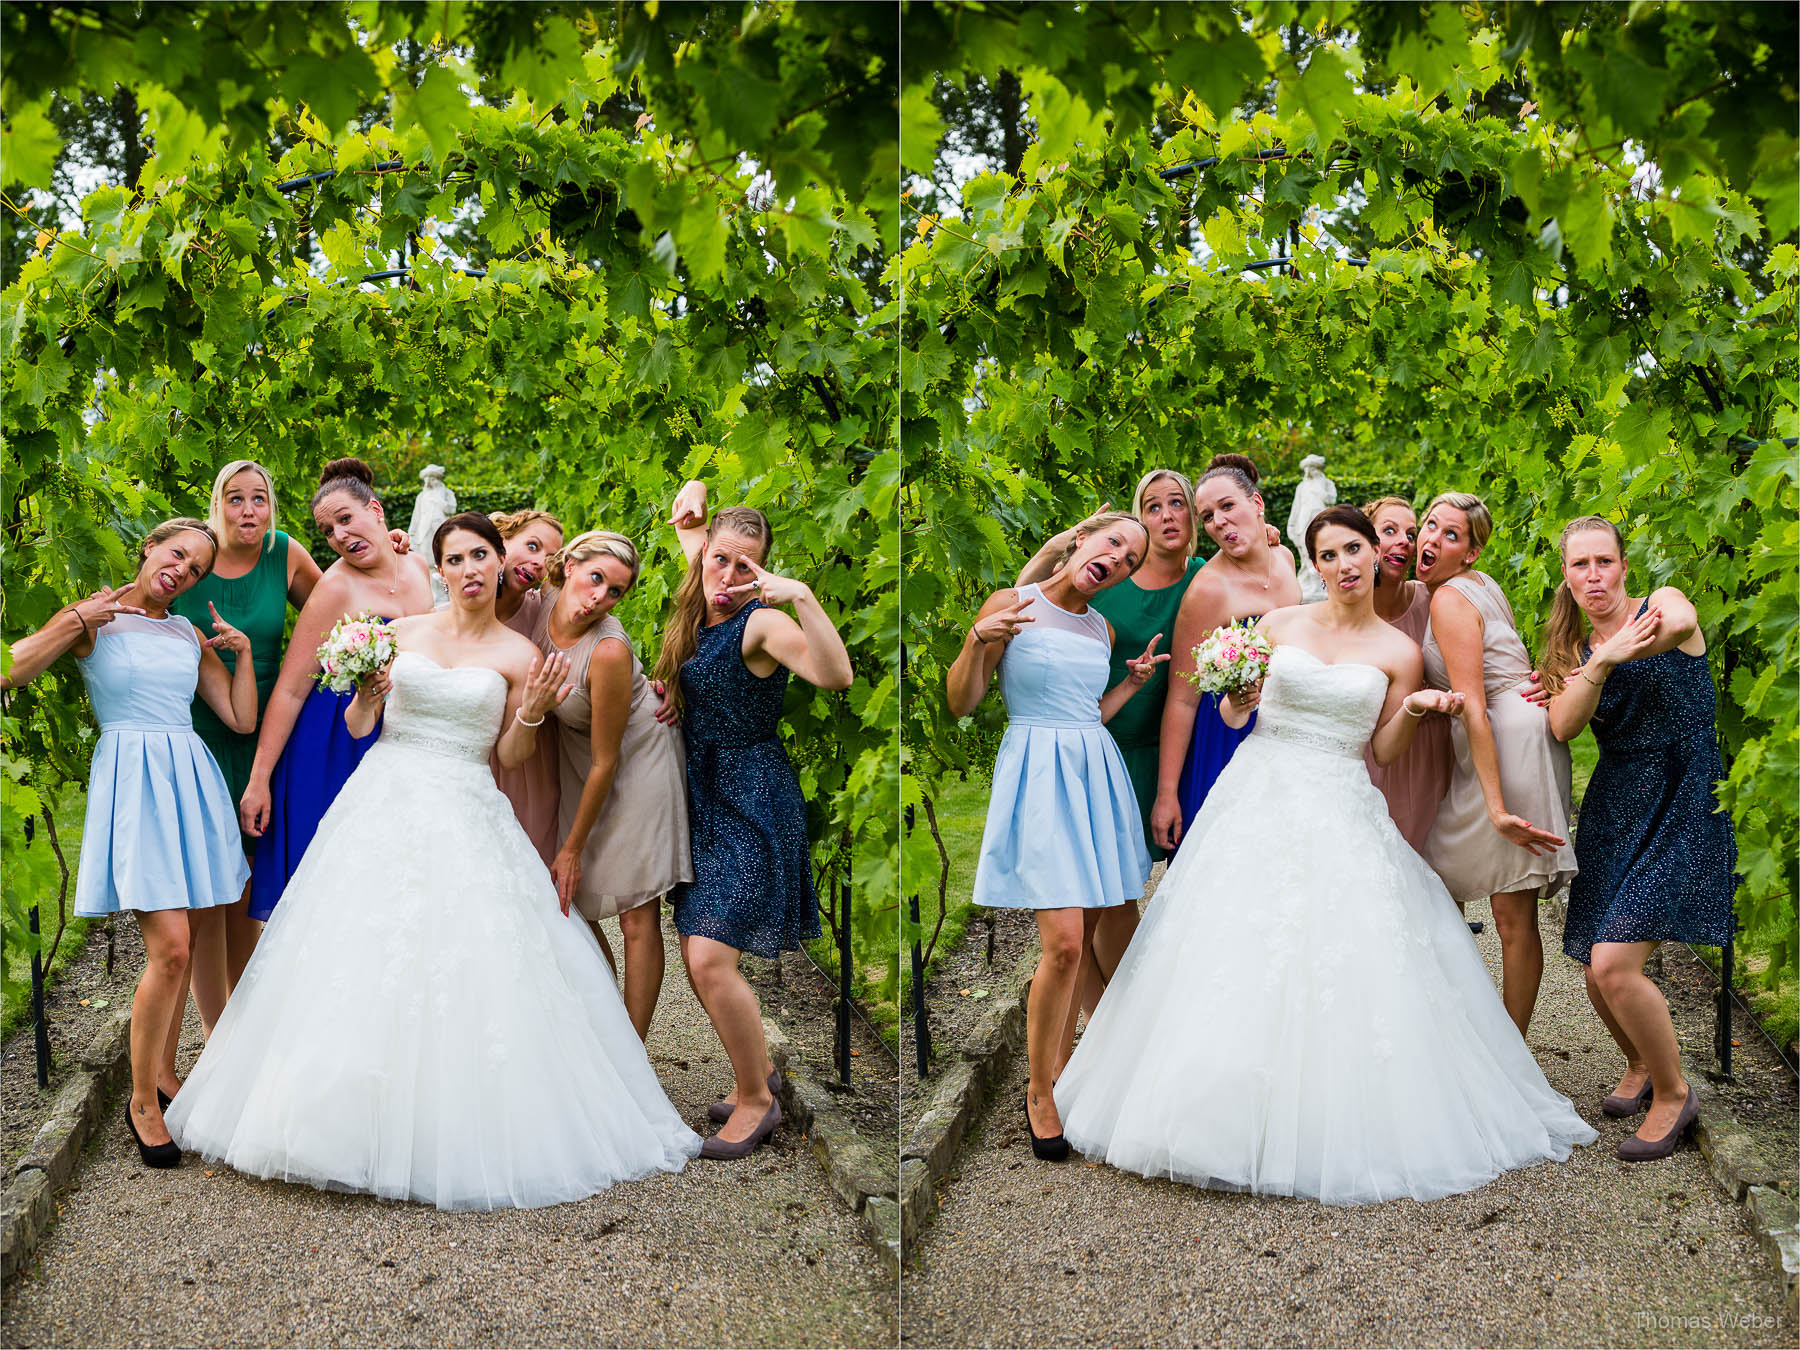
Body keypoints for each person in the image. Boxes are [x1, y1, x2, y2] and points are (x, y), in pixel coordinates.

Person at [1056, 507, 1597, 1203]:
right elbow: (1229, 714)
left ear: (1374, 555)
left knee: (1337, 952)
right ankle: (1213, 1109)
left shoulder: (1399, 652)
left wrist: (1417, 709)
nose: (1344, 564)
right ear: (1315, 565)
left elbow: (1382, 751)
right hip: (1258, 792)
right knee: (1235, 946)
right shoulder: (1279, 626)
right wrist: (1239, 700)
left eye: (1354, 550)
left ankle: (1323, 1112)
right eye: (1329, 554)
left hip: (1341, 795)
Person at [165, 514, 701, 1207]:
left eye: (482, 555)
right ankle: (335, 1117)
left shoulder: (517, 654)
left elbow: (507, 756)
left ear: (498, 561)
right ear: (439, 568)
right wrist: (366, 696)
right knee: (356, 953)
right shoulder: (402, 634)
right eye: (457, 557)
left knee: (466, 961)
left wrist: (532, 713)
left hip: (466, 800)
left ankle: (453, 1118)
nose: (471, 568)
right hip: (383, 797)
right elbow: (361, 727)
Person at [3, 520, 256, 1168]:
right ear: (149, 548)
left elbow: (238, 716)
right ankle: (142, 1100)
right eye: (177, 554)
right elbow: (11, 670)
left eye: (196, 568)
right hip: (133, 783)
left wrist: (242, 655)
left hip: (187, 780)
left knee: (190, 938)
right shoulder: (93, 619)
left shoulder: (183, 631)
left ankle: (167, 1074)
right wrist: (72, 621)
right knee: (170, 947)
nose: (182, 570)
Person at [948, 509, 1161, 1160]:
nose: (1118, 560)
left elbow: (1086, 714)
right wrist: (977, 639)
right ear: (1082, 541)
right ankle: (1041, 1092)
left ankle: (1065, 1071)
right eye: (1114, 543)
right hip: (1038, 774)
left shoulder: (1100, 628)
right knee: (1064, 941)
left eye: (1129, 561)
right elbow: (963, 702)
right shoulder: (1015, 603)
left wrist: (1128, 684)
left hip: (1093, 773)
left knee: (1089, 930)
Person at [653, 481, 853, 1159]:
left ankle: (760, 1103)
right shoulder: (700, 591)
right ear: (704, 555)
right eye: (721, 561)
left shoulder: (760, 622)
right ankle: (748, 1082)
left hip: (754, 800)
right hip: (703, 799)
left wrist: (798, 595)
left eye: (749, 566)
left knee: (710, 957)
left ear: (764, 569)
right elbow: (689, 519)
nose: (731, 576)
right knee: (696, 951)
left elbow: (836, 676)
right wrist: (695, 496)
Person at [1543, 515, 1730, 1161]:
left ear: (1624, 566)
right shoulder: (1573, 655)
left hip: (1684, 793)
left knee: (1614, 964)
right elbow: (1564, 725)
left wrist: (1618, 649)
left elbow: (1678, 628)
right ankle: (1641, 1061)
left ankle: (1676, 1095)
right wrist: (1601, 661)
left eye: (1603, 562)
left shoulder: (1664, 603)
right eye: (1579, 566)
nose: (1593, 576)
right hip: (1618, 805)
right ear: (1565, 579)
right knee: (1596, 972)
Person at [1013, 472, 1199, 1016]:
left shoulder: (1204, 578)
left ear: (1191, 516)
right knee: (1105, 898)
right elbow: (1028, 602)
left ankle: (1113, 1028)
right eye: (1152, 506)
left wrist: (1271, 545)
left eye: (1177, 505)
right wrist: (1057, 544)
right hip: (1094, 742)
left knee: (1122, 887)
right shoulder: (1108, 578)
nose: (1166, 515)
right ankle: (1108, 1024)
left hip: (1165, 749)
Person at [238, 459, 435, 920]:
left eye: (346, 519)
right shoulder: (335, 587)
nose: (340, 536)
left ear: (378, 510)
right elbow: (289, 690)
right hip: (332, 744)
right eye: (327, 531)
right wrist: (259, 779)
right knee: (335, 885)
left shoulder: (419, 567)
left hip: (403, 735)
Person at [168, 461, 324, 1030]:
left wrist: (392, 551)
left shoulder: (284, 553)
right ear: (218, 504)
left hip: (266, 733)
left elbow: (338, 610)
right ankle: (216, 1033)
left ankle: (250, 1030)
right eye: (235, 499)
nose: (249, 511)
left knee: (251, 886)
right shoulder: (196, 558)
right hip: (197, 732)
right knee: (209, 895)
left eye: (259, 498)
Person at [1417, 492, 1577, 1037]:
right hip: (1520, 732)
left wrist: (1496, 805)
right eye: (1430, 525)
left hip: (1506, 744)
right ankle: (1486, 1039)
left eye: (1451, 535)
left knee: (1496, 909)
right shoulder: (1475, 586)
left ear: (1472, 553)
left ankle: (1507, 1054)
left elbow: (1475, 704)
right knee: (1462, 889)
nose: (1432, 539)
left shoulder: (1448, 600)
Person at [536, 529, 692, 1041]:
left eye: (615, 591)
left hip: (636, 758)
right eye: (595, 578)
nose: (599, 597)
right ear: (570, 566)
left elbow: (608, 758)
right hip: (580, 756)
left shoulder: (605, 649)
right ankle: (598, 1030)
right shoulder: (540, 598)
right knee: (573, 907)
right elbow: (499, 541)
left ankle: (631, 1055)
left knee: (633, 912)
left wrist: (572, 848)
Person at [1152, 462, 1302, 853]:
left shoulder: (1285, 558)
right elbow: (1183, 699)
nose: (1218, 521)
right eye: (1207, 516)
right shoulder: (1208, 591)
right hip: (1227, 737)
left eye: (1227, 506)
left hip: (1287, 734)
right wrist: (1167, 794)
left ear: (1257, 503)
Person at [1358, 496, 1453, 855]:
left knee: (1439, 877)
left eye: (1411, 534)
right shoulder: (1349, 615)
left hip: (1434, 755)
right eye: (1390, 531)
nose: (1405, 541)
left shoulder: (1433, 601)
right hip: (1374, 761)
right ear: (1365, 542)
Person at [489, 509, 566, 865]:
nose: (538, 563)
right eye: (532, 546)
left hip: (530, 761)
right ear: (503, 540)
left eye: (549, 559)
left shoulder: (545, 614)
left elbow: (590, 649)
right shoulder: (456, 599)